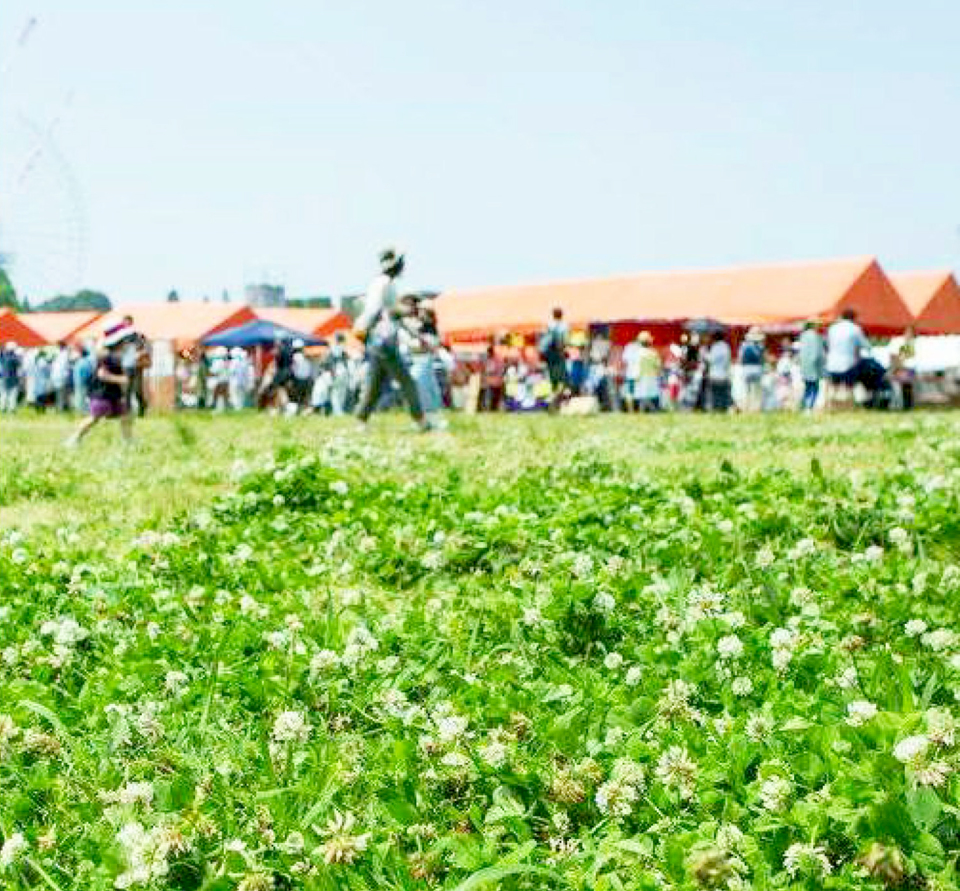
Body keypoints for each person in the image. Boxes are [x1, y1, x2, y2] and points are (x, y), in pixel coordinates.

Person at [354, 247, 430, 430]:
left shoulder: (382, 283)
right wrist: (405, 311)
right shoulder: (384, 284)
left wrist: (416, 334)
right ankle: (421, 422)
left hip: (377, 341)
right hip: (384, 341)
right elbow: (381, 310)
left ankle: (361, 421)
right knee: (406, 382)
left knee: (375, 384)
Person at [65, 325, 135, 447]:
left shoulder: (113, 355)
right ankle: (74, 439)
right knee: (94, 417)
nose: (126, 343)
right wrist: (122, 380)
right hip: (102, 393)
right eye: (124, 340)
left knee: (125, 416)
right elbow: (102, 375)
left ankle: (128, 442)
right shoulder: (107, 356)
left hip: (113, 392)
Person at [826, 309, 870, 400]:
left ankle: (831, 406)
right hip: (848, 363)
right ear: (854, 318)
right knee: (849, 387)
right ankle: (848, 405)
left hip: (831, 363)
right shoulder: (855, 329)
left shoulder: (832, 328)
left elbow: (828, 344)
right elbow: (866, 346)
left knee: (833, 387)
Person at [539, 307, 569, 414]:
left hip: (549, 356)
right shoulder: (563, 326)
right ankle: (555, 404)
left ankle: (552, 404)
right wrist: (563, 350)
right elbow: (564, 341)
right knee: (564, 381)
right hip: (558, 355)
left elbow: (542, 342)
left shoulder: (548, 325)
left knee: (553, 382)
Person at [121, 316, 151, 417]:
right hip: (125, 366)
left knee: (138, 390)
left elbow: (148, 348)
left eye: (128, 323)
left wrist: (140, 353)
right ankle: (127, 413)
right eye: (125, 323)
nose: (126, 325)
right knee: (127, 391)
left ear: (131, 323)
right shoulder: (120, 336)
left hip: (137, 366)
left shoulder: (138, 335)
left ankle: (142, 407)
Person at [797, 321, 825, 411]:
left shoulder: (802, 336)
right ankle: (809, 407)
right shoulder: (816, 336)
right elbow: (817, 353)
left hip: (804, 366)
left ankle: (803, 406)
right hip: (814, 367)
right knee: (815, 387)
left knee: (807, 387)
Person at [633, 331, 662, 412]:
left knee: (643, 396)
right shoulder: (653, 353)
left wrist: (636, 376)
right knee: (648, 396)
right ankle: (650, 410)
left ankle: (649, 410)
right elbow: (658, 365)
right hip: (652, 377)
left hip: (642, 377)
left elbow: (638, 366)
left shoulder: (639, 353)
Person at [738, 329, 765, 412]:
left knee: (746, 390)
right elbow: (762, 359)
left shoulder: (744, 345)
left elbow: (740, 358)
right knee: (756, 391)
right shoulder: (760, 346)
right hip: (757, 369)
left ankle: (745, 408)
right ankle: (755, 409)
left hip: (746, 369)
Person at [891, 325, 917, 410]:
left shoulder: (911, 343)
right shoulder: (900, 342)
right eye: (908, 332)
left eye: (911, 333)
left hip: (907, 369)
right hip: (901, 369)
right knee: (900, 388)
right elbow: (896, 357)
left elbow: (906, 357)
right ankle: (901, 405)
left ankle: (907, 406)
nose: (909, 334)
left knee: (907, 388)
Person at [706, 332, 732, 411]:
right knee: (723, 395)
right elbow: (728, 361)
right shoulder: (726, 347)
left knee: (715, 395)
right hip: (724, 375)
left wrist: (704, 354)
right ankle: (723, 410)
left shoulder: (715, 347)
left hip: (715, 375)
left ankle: (716, 410)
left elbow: (710, 359)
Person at [51, 342, 73, 412]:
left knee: (60, 395)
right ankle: (61, 409)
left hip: (58, 377)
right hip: (62, 377)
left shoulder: (60, 354)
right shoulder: (65, 354)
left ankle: (60, 409)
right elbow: (66, 367)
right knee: (61, 395)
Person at [72, 346, 95, 413]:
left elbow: (87, 374)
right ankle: (82, 411)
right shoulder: (85, 362)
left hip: (81, 383)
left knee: (81, 399)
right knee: (81, 398)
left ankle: (84, 411)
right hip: (81, 383)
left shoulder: (82, 362)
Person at [0, 342, 21, 413]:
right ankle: (11, 409)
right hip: (13, 379)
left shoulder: (4, 356)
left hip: (4, 378)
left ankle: (3, 408)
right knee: (12, 395)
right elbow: (19, 364)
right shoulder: (15, 357)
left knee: (4, 394)